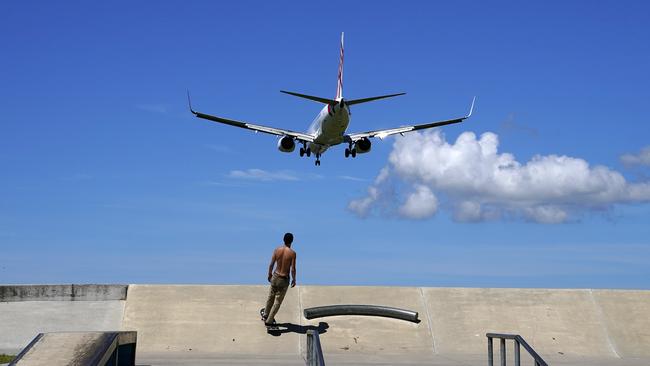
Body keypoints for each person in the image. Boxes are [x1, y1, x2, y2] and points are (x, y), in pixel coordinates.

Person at [262, 232, 297, 326]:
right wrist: (294, 279)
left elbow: (271, 264)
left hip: (275, 276)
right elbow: (293, 269)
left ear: (283, 239)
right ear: (292, 241)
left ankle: (265, 314)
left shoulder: (277, 250)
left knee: (270, 297)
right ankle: (269, 320)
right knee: (277, 301)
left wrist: (269, 274)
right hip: (284, 279)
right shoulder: (292, 253)